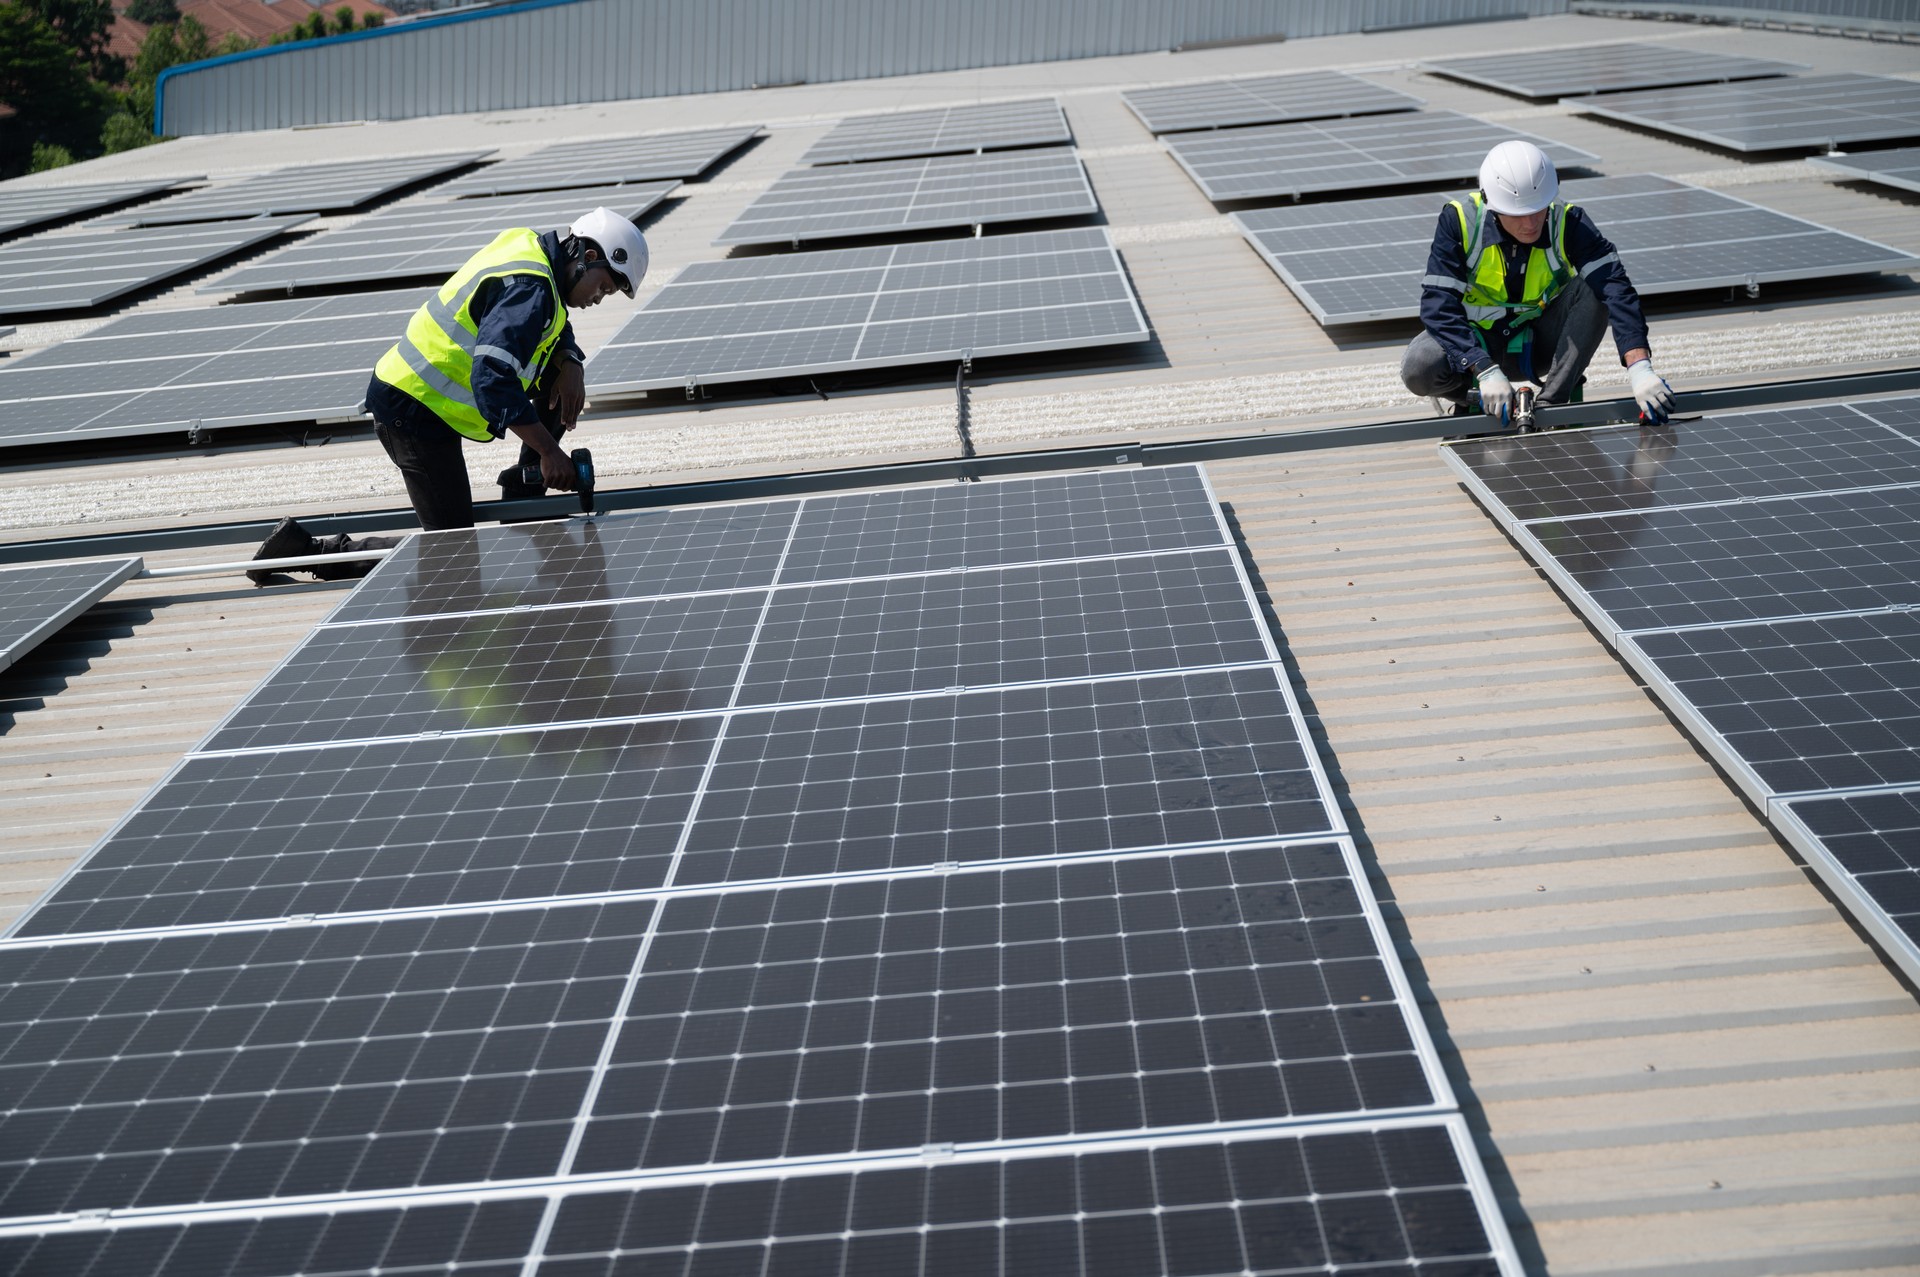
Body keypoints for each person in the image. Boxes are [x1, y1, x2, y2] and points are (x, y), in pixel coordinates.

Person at [247, 206, 648, 584]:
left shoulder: (534, 251)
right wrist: (549, 452)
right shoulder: (531, 289)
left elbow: (548, 325)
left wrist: (571, 360)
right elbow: (493, 378)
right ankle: (311, 550)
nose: (599, 298)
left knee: (563, 381)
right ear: (587, 255)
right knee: (453, 557)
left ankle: (523, 486)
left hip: (431, 402)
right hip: (412, 409)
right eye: (605, 286)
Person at [1400, 140, 1676, 428]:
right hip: (1478, 345)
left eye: (1538, 210)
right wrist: (1482, 369)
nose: (1531, 223)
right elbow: (1438, 307)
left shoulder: (1569, 221)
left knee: (1596, 289)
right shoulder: (1458, 221)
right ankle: (1481, 400)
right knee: (1419, 367)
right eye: (1518, 215)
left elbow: (1616, 289)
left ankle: (1550, 406)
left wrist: (1639, 367)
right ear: (1491, 205)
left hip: (1541, 346)